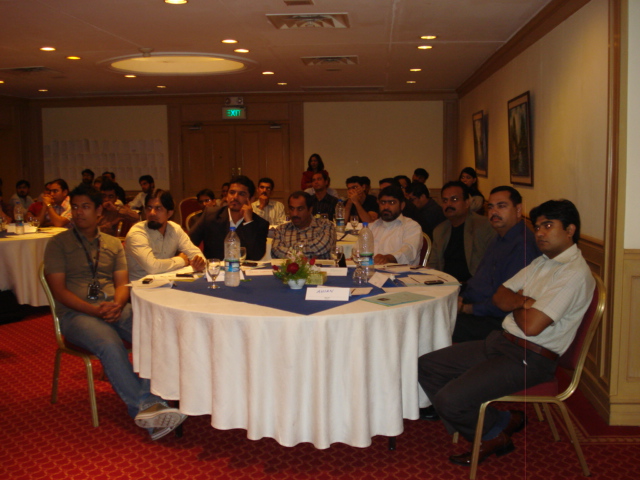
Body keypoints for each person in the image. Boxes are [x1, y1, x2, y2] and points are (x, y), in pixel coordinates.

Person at [418, 199, 594, 466]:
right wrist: (524, 302)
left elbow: (531, 326)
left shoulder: (574, 274)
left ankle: (491, 435)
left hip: (531, 357)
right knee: (427, 366)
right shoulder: (543, 262)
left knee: (449, 400)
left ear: (570, 230)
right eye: (537, 227)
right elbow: (500, 295)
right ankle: (500, 423)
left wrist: (516, 302)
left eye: (548, 226)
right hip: (502, 341)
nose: (540, 233)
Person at [44, 184, 187, 441]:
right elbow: (60, 292)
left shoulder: (112, 244)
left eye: (85, 207)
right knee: (110, 344)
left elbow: (122, 284)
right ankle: (146, 406)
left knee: (155, 332)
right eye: (75, 207)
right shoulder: (58, 244)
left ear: (99, 211)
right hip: (76, 314)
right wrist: (94, 310)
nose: (78, 212)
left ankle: (151, 403)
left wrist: (118, 305)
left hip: (113, 307)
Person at [452, 186, 541, 343]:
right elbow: (479, 281)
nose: (494, 212)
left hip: (496, 322)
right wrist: (460, 298)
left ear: (518, 210)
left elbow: (507, 302)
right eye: (491, 207)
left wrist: (466, 308)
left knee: (434, 327)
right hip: (475, 308)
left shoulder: (522, 246)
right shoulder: (499, 238)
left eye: (501, 206)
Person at [125, 190, 205, 281]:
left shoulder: (175, 229)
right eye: (149, 208)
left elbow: (196, 254)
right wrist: (181, 260)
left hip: (167, 282)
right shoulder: (137, 233)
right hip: (141, 286)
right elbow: (152, 267)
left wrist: (199, 263)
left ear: (169, 213)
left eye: (158, 208)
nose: (152, 213)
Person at [427, 181, 495, 283]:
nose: (448, 204)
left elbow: (491, 265)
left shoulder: (484, 226)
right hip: (445, 285)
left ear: (467, 203)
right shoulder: (439, 230)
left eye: (454, 199)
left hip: (474, 285)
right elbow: (433, 265)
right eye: (445, 201)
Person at [190, 176, 269, 260]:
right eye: (232, 192)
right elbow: (188, 243)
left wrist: (248, 222)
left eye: (241, 194)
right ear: (227, 196)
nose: (235, 197)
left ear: (251, 199)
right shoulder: (210, 215)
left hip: (242, 268)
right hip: (214, 267)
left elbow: (256, 256)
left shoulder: (260, 224)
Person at [271, 191, 336, 260]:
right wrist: (305, 251)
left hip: (320, 267)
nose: (295, 214)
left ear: (310, 210)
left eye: (300, 209)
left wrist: (292, 249)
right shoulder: (282, 229)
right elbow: (276, 251)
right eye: (292, 209)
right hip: (290, 267)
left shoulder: (325, 225)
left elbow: (322, 247)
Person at [368, 185, 422, 265]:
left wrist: (388, 258)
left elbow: (408, 252)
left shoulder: (411, 226)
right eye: (383, 202)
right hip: (371, 270)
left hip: (402, 271)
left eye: (392, 203)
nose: (386, 207)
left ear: (402, 205)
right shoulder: (371, 227)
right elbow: (358, 251)